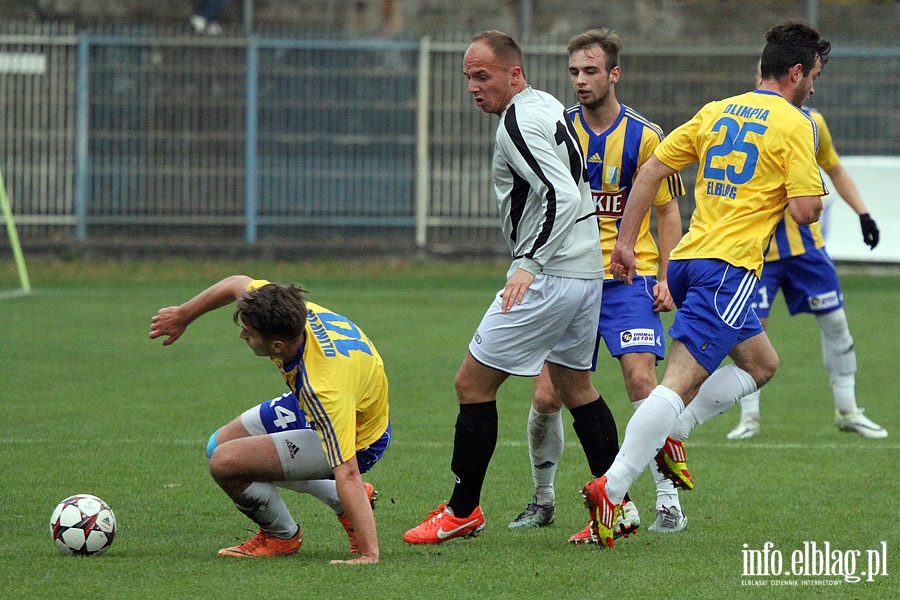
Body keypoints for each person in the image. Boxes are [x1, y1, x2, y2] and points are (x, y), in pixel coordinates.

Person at [580, 20, 831, 549]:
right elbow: (806, 211)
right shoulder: (797, 123)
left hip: (690, 259)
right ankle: (615, 486)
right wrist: (800, 187)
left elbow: (650, 171)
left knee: (762, 364)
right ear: (795, 72)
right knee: (677, 383)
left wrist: (626, 242)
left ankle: (674, 430)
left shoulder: (717, 109)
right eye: (814, 76)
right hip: (730, 268)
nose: (815, 87)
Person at [403, 30, 620, 545]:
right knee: (576, 388)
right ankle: (617, 505)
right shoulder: (545, 105)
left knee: (471, 385)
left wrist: (529, 261)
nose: (474, 87)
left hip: (550, 273)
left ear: (514, 73)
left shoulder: (517, 122)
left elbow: (560, 196)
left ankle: (462, 510)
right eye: (468, 78)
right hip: (586, 271)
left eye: (484, 76)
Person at [506, 28, 688, 541]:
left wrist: (670, 276)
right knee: (546, 397)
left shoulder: (646, 136)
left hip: (629, 279)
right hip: (569, 278)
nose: (580, 81)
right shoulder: (558, 129)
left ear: (614, 74)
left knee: (641, 381)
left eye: (590, 72)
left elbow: (669, 211)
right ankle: (543, 500)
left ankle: (669, 502)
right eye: (573, 73)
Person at [150, 276, 390, 564]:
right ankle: (343, 499)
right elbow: (236, 283)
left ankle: (282, 536)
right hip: (328, 402)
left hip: (358, 436)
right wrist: (183, 315)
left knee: (225, 463)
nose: (242, 336)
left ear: (278, 346)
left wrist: (368, 555)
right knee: (219, 444)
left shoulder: (323, 388)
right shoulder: (283, 310)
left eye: (249, 333)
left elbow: (348, 472)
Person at [726, 87, 885, 440]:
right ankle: (749, 418)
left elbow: (834, 168)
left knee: (836, 323)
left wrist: (863, 213)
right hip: (759, 252)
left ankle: (848, 410)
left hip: (806, 250)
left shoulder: (813, 122)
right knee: (751, 334)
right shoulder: (741, 119)